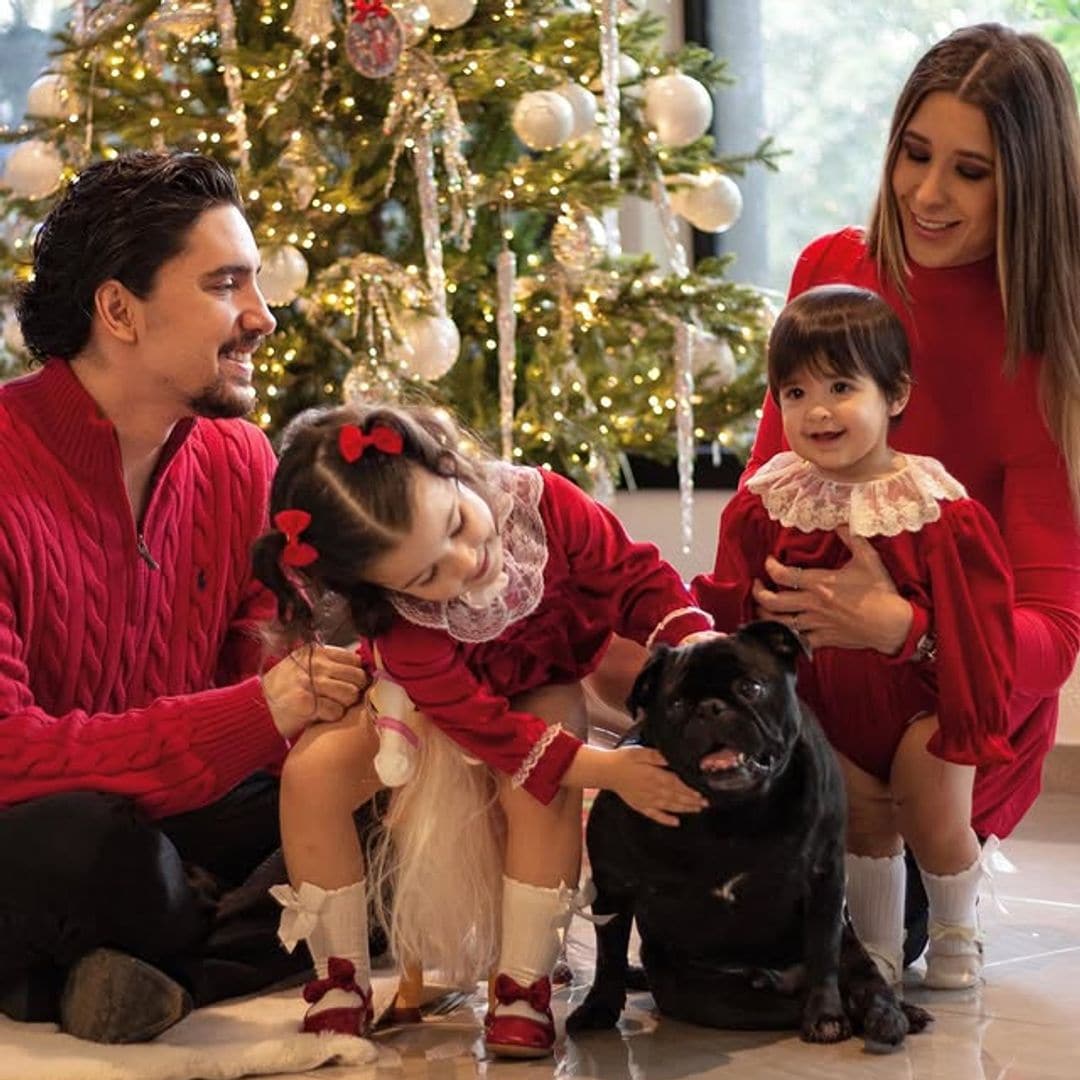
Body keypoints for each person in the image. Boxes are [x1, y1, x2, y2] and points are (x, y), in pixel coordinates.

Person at [0, 151, 368, 1044]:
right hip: (57, 823)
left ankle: (144, 973)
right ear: (119, 310)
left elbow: (261, 664)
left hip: (185, 818)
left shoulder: (238, 459)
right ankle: (191, 941)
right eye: (224, 285)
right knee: (86, 846)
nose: (262, 317)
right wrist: (259, 712)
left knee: (384, 802)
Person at [743, 23, 1080, 968]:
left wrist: (910, 630)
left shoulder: (1049, 350)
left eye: (971, 171)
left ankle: (941, 903)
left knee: (869, 936)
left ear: (1028, 181)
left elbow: (1053, 636)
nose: (928, 195)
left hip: (955, 714)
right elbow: (768, 498)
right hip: (818, 678)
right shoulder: (830, 271)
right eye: (915, 155)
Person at [251, 402, 715, 1058]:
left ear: (450, 464)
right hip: (429, 704)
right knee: (310, 774)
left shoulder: (545, 504)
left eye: (458, 523)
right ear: (378, 593)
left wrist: (696, 640)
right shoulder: (407, 633)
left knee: (545, 774)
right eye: (425, 575)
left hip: (541, 674)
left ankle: (522, 984)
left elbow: (636, 579)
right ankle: (340, 978)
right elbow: (493, 732)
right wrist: (609, 771)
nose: (465, 561)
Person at [693, 283, 1015, 988]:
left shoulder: (934, 510)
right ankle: (875, 955)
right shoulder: (764, 506)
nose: (818, 410)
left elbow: (979, 624)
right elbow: (732, 611)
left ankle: (959, 930)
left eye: (841, 385)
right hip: (823, 711)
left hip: (922, 705)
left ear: (895, 394)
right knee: (860, 825)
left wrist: (955, 692)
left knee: (932, 820)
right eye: (796, 392)